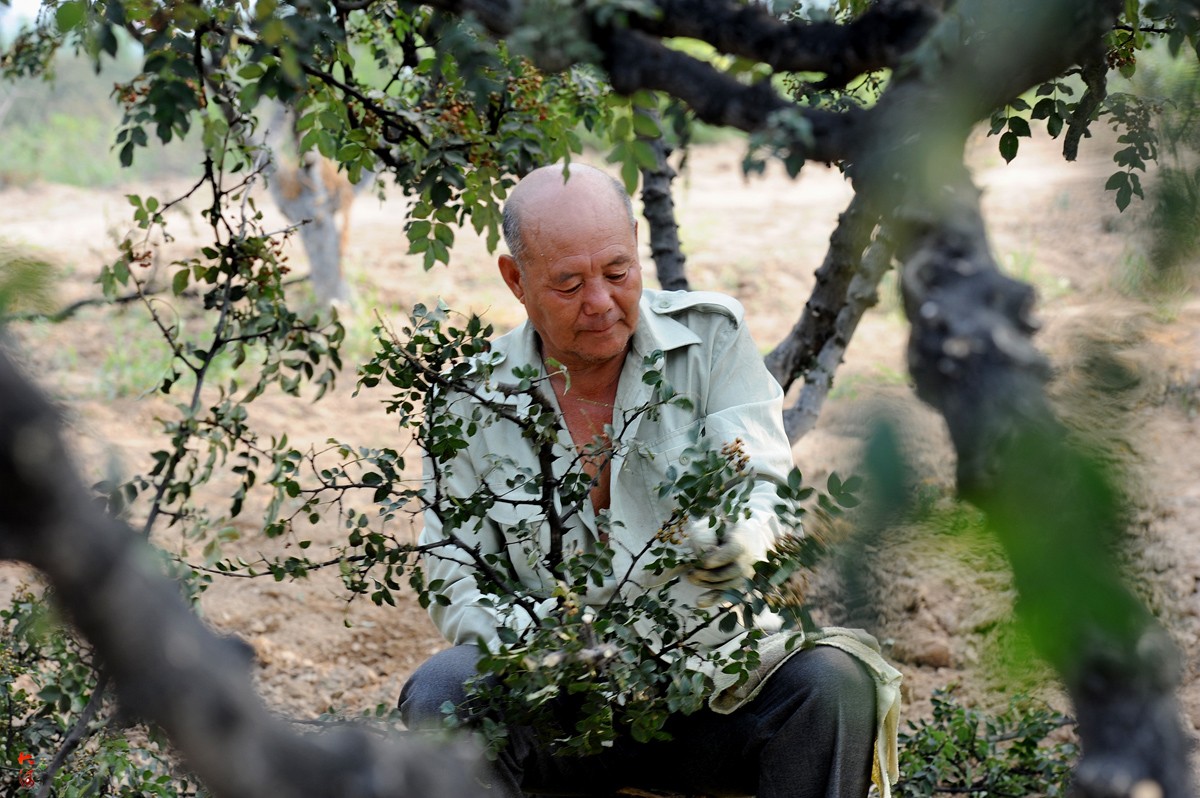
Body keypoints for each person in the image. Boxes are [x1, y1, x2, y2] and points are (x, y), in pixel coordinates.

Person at [398, 163, 902, 798]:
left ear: (638, 245)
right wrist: (547, 647)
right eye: (568, 284)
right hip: (555, 709)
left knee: (832, 684)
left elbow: (763, 490)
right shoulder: (468, 400)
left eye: (617, 272)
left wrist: (736, 547)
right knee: (443, 692)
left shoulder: (712, 338)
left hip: (714, 688)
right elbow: (453, 574)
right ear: (515, 280)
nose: (601, 302)